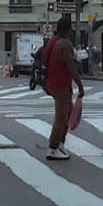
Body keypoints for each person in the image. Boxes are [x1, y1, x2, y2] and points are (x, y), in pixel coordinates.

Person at [41, 15, 85, 161]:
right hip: (60, 85)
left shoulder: (53, 41)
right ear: (67, 29)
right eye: (71, 28)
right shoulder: (65, 44)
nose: (72, 31)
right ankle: (53, 148)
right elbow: (71, 67)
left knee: (67, 114)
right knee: (61, 117)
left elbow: (41, 56)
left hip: (54, 83)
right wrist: (79, 84)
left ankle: (59, 143)